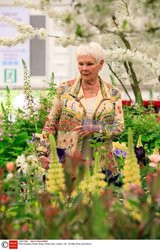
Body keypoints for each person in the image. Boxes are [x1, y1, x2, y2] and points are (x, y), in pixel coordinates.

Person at [37, 42, 124, 180]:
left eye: (89, 64)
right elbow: (51, 123)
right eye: (80, 64)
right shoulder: (65, 89)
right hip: (66, 160)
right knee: (67, 199)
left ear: (100, 64)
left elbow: (119, 127)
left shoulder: (113, 93)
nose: (84, 68)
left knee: (98, 201)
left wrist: (97, 128)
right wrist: (42, 152)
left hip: (100, 164)